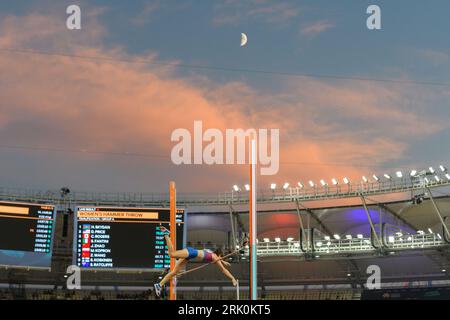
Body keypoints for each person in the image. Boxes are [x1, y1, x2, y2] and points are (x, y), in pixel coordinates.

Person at [153, 226, 237, 297]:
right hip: (191, 253)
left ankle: (159, 285)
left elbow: (219, 259)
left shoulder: (211, 252)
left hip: (190, 254)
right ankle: (166, 234)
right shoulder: (215, 257)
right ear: (219, 255)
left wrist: (224, 262)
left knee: (174, 272)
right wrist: (232, 278)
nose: (220, 259)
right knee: (171, 254)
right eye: (221, 257)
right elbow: (223, 270)